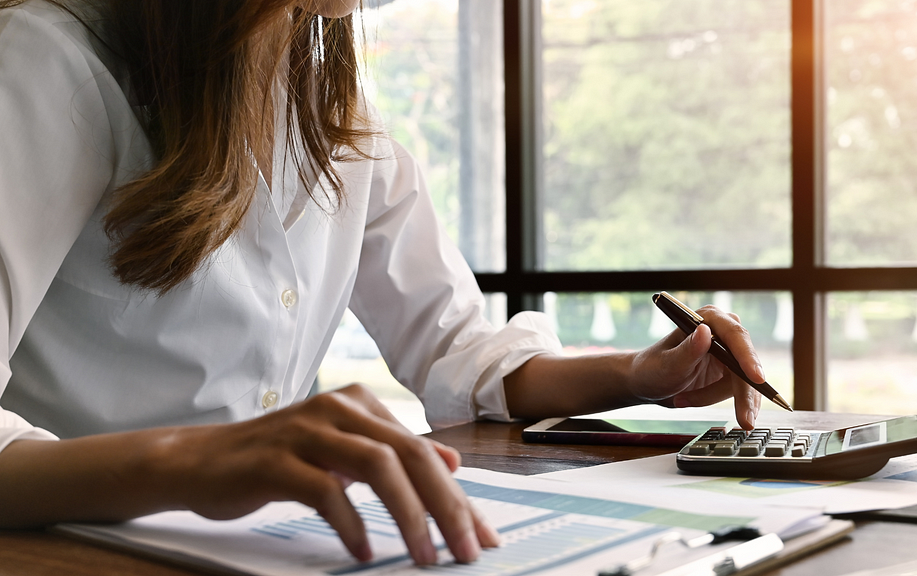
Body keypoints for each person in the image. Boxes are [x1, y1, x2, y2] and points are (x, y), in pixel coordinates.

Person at [0, 0, 765, 566]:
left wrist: (642, 373)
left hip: (273, 550)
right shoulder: (48, 63)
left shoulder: (332, 109)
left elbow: (458, 351)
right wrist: (195, 459)